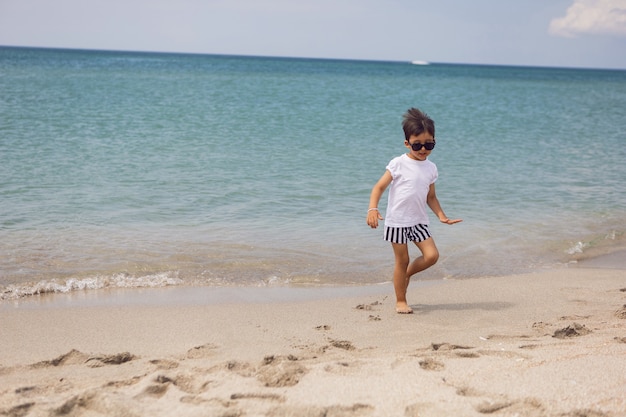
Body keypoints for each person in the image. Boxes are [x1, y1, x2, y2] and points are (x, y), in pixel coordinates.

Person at [366, 108, 461, 314]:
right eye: (417, 144)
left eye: (429, 144)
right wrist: (373, 208)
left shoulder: (431, 168)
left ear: (434, 142)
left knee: (432, 256)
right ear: (407, 143)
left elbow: (431, 196)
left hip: (419, 221)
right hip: (397, 222)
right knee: (402, 260)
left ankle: (405, 274)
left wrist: (441, 216)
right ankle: (401, 301)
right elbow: (379, 187)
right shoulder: (398, 164)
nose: (423, 149)